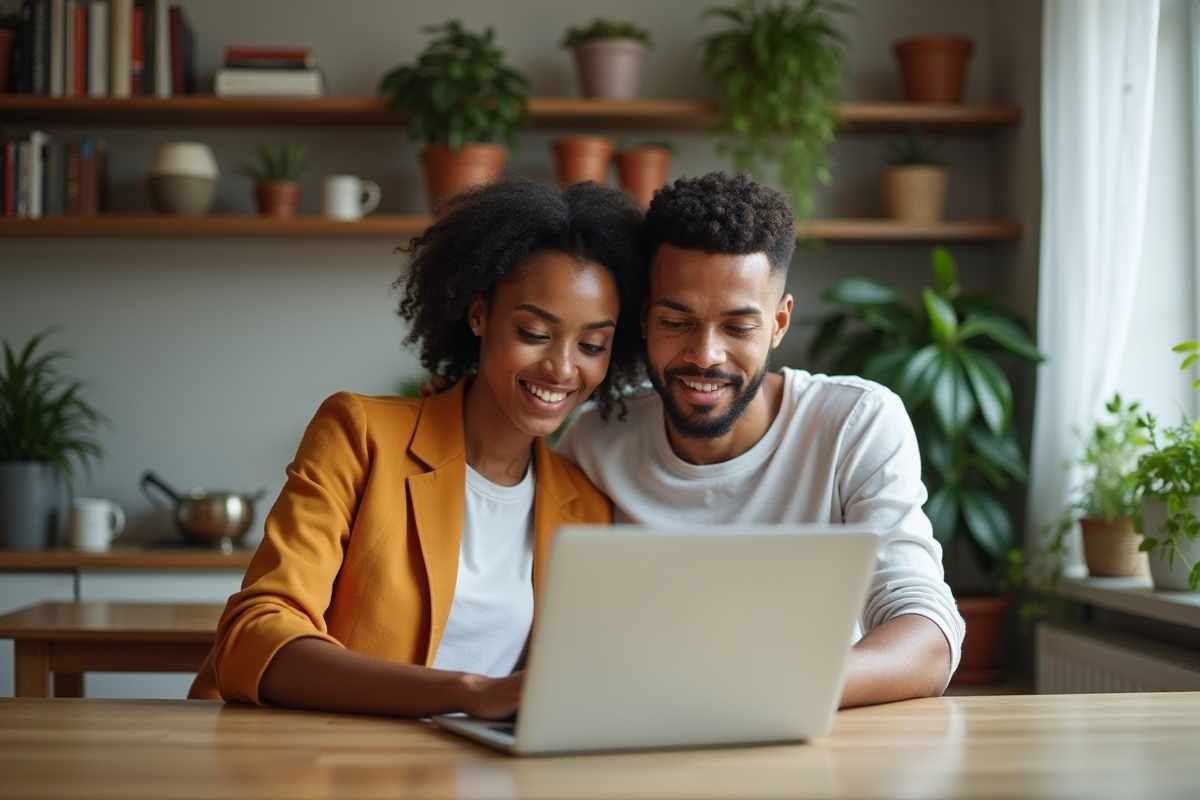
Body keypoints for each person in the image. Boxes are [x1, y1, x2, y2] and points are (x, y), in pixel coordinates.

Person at [187, 177, 647, 721]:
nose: (563, 368)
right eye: (534, 332)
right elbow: (253, 638)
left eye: (592, 345)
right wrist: (468, 693)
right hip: (329, 767)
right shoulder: (361, 435)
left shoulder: (584, 506)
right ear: (479, 315)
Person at [554, 172, 964, 707]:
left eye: (738, 327)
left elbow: (927, 633)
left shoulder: (855, 423)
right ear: (645, 319)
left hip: (808, 740)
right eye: (677, 320)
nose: (706, 355)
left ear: (779, 323)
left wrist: (767, 686)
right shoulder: (596, 437)